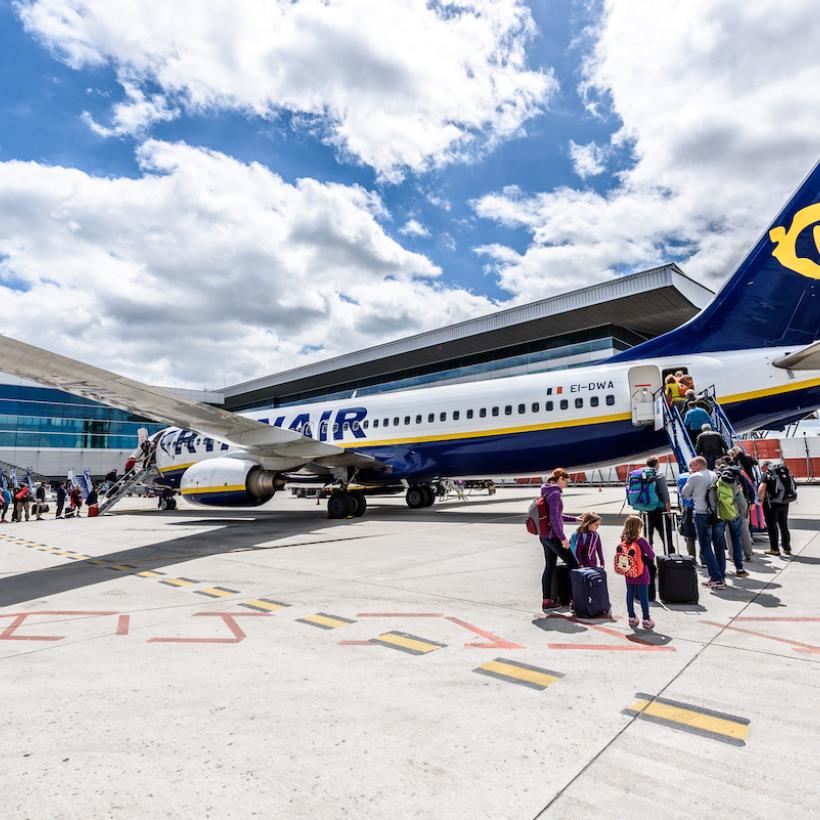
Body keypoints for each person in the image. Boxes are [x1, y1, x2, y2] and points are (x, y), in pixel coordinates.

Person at [682, 456, 726, 589]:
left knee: (706, 547)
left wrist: (691, 480)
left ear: (699, 465)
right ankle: (719, 577)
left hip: (703, 515)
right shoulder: (714, 474)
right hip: (717, 515)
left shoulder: (694, 477)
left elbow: (684, 493)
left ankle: (717, 579)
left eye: (693, 466)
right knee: (719, 546)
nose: (691, 469)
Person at [539, 468, 579, 611]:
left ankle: (547, 600)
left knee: (549, 566)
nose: (567, 483)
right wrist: (563, 538)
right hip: (554, 537)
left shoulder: (545, 490)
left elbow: (553, 515)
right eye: (566, 480)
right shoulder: (555, 494)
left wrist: (574, 519)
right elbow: (555, 519)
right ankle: (576, 600)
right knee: (574, 565)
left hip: (544, 536)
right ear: (560, 479)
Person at [713, 460, 749, 578]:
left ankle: (721, 571)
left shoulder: (715, 477)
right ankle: (739, 568)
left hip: (720, 514)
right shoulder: (736, 476)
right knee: (736, 540)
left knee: (718, 543)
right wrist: (743, 511)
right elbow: (744, 494)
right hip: (735, 514)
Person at [620, 515, 656, 630]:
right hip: (641, 573)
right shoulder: (641, 540)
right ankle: (646, 619)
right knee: (643, 597)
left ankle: (631, 617)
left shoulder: (624, 540)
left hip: (629, 572)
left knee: (630, 593)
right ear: (638, 528)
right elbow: (651, 555)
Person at [758, 461, 796, 557]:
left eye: (762, 467)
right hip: (784, 502)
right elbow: (794, 486)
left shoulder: (766, 475)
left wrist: (760, 500)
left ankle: (774, 549)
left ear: (766, 466)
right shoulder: (784, 473)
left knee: (772, 527)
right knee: (784, 525)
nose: (761, 469)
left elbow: (762, 488)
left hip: (771, 505)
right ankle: (787, 548)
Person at [643, 456, 672, 552]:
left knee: (648, 538)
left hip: (646, 510)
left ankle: (648, 563)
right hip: (659, 510)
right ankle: (669, 560)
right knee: (666, 537)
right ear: (657, 464)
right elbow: (665, 495)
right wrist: (668, 512)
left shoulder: (641, 475)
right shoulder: (659, 475)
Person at [676, 471, 699, 561]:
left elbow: (681, 496)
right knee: (704, 536)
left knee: (689, 536)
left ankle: (692, 558)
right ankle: (704, 560)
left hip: (688, 509)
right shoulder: (705, 476)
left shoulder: (682, 478)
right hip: (702, 508)